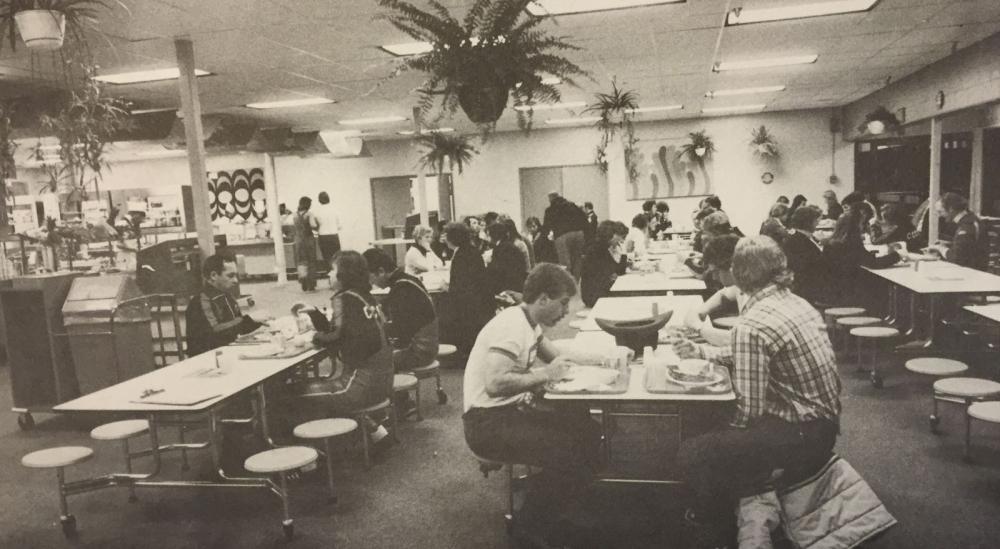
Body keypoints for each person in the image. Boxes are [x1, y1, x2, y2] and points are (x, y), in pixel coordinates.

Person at [674, 236, 841, 548]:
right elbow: (752, 355)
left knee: (694, 451)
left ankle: (717, 527)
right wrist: (700, 353)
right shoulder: (796, 302)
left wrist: (719, 430)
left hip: (800, 434)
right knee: (719, 437)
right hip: (825, 425)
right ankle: (755, 502)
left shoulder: (752, 324)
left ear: (738, 274)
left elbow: (748, 410)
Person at [463, 263, 603, 546]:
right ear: (542, 299)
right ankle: (529, 529)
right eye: (563, 304)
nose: (565, 312)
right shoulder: (511, 326)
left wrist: (601, 359)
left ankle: (559, 506)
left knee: (585, 428)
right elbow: (495, 383)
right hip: (485, 423)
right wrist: (543, 375)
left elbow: (555, 355)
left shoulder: (529, 322)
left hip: (507, 410)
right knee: (564, 449)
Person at [287, 252, 393, 439]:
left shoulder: (343, 298)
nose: (328, 274)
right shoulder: (366, 297)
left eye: (332, 270)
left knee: (294, 394)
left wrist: (312, 337)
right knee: (311, 389)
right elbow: (343, 330)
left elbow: (336, 336)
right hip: (383, 382)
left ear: (345, 274)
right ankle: (374, 432)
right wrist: (314, 313)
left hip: (358, 386)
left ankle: (310, 455)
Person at [364, 248, 438, 373]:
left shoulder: (402, 289)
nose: (370, 282)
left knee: (367, 362)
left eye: (370, 277)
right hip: (427, 346)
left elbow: (400, 333)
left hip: (419, 352)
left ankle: (392, 392)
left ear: (381, 271)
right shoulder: (405, 281)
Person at [185, 253, 265, 356]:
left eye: (236, 275)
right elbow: (215, 333)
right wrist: (250, 319)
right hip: (207, 359)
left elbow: (237, 327)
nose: (235, 280)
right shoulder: (201, 301)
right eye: (230, 276)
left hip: (227, 353)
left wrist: (258, 322)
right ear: (213, 275)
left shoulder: (227, 296)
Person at [823, 208, 900, 306]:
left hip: (833, 289)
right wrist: (898, 255)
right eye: (861, 224)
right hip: (847, 292)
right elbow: (873, 263)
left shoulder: (829, 243)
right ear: (854, 227)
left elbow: (859, 257)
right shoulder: (852, 243)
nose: (862, 227)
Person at [445, 222, 495, 355]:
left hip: (469, 303)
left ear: (453, 238)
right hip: (479, 299)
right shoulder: (471, 250)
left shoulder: (461, 255)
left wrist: (447, 288)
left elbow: (460, 285)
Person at [682, 235, 741, 347]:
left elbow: (740, 344)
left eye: (716, 272)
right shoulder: (743, 286)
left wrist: (699, 327)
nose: (714, 277)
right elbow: (724, 293)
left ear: (732, 268)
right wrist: (702, 310)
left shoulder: (758, 296)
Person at [782, 205, 832, 306]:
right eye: (816, 220)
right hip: (809, 290)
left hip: (805, 285)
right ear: (809, 222)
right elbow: (813, 266)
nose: (818, 223)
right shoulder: (799, 241)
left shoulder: (797, 236)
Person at [928, 192, 988, 270]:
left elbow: (956, 258)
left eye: (940, 211)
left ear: (951, 209)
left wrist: (939, 248)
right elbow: (968, 247)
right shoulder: (971, 219)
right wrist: (949, 244)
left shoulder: (967, 226)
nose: (939, 216)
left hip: (972, 273)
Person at [580, 221, 628, 308]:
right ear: (612, 235)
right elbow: (619, 271)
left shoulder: (599, 247)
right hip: (595, 296)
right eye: (619, 236)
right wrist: (623, 252)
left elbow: (617, 271)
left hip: (594, 292)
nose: (621, 240)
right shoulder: (598, 249)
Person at [542, 192, 588, 279]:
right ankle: (576, 285)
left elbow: (546, 227)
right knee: (577, 261)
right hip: (578, 234)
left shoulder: (550, 209)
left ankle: (568, 287)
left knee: (565, 264)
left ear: (550, 199)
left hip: (562, 235)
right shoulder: (572, 205)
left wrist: (545, 239)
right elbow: (584, 219)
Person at [484, 222, 528, 296]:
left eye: (489, 235)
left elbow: (499, 270)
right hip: (516, 285)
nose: (487, 238)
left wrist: (489, 262)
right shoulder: (508, 246)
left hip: (508, 288)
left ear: (494, 235)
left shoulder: (502, 248)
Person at [294, 196, 319, 292]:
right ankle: (311, 284)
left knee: (301, 261)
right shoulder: (309, 214)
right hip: (308, 239)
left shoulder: (295, 215)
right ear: (307, 204)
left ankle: (303, 281)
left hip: (298, 240)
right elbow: (313, 225)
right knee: (311, 261)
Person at [313, 191, 342, 266]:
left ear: (319, 200)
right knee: (337, 257)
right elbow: (339, 226)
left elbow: (315, 226)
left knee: (326, 257)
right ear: (329, 198)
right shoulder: (335, 209)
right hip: (334, 236)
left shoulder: (316, 211)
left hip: (323, 237)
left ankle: (329, 274)